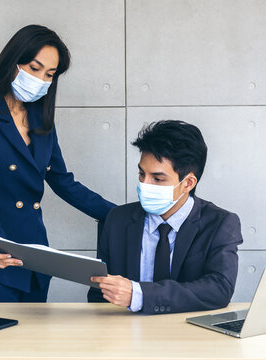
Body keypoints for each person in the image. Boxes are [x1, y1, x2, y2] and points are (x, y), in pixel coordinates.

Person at [0, 24, 115, 302]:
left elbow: (63, 181)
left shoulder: (41, 120)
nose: (41, 79)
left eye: (49, 74)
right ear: (12, 62)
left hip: (36, 256)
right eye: (34, 67)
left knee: (31, 344)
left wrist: (119, 215)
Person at [88, 120, 243, 314]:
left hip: (191, 335)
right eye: (141, 173)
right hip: (123, 335)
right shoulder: (118, 219)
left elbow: (219, 289)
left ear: (188, 183)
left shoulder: (221, 223)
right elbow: (98, 295)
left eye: (158, 179)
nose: (145, 184)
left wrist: (139, 295)